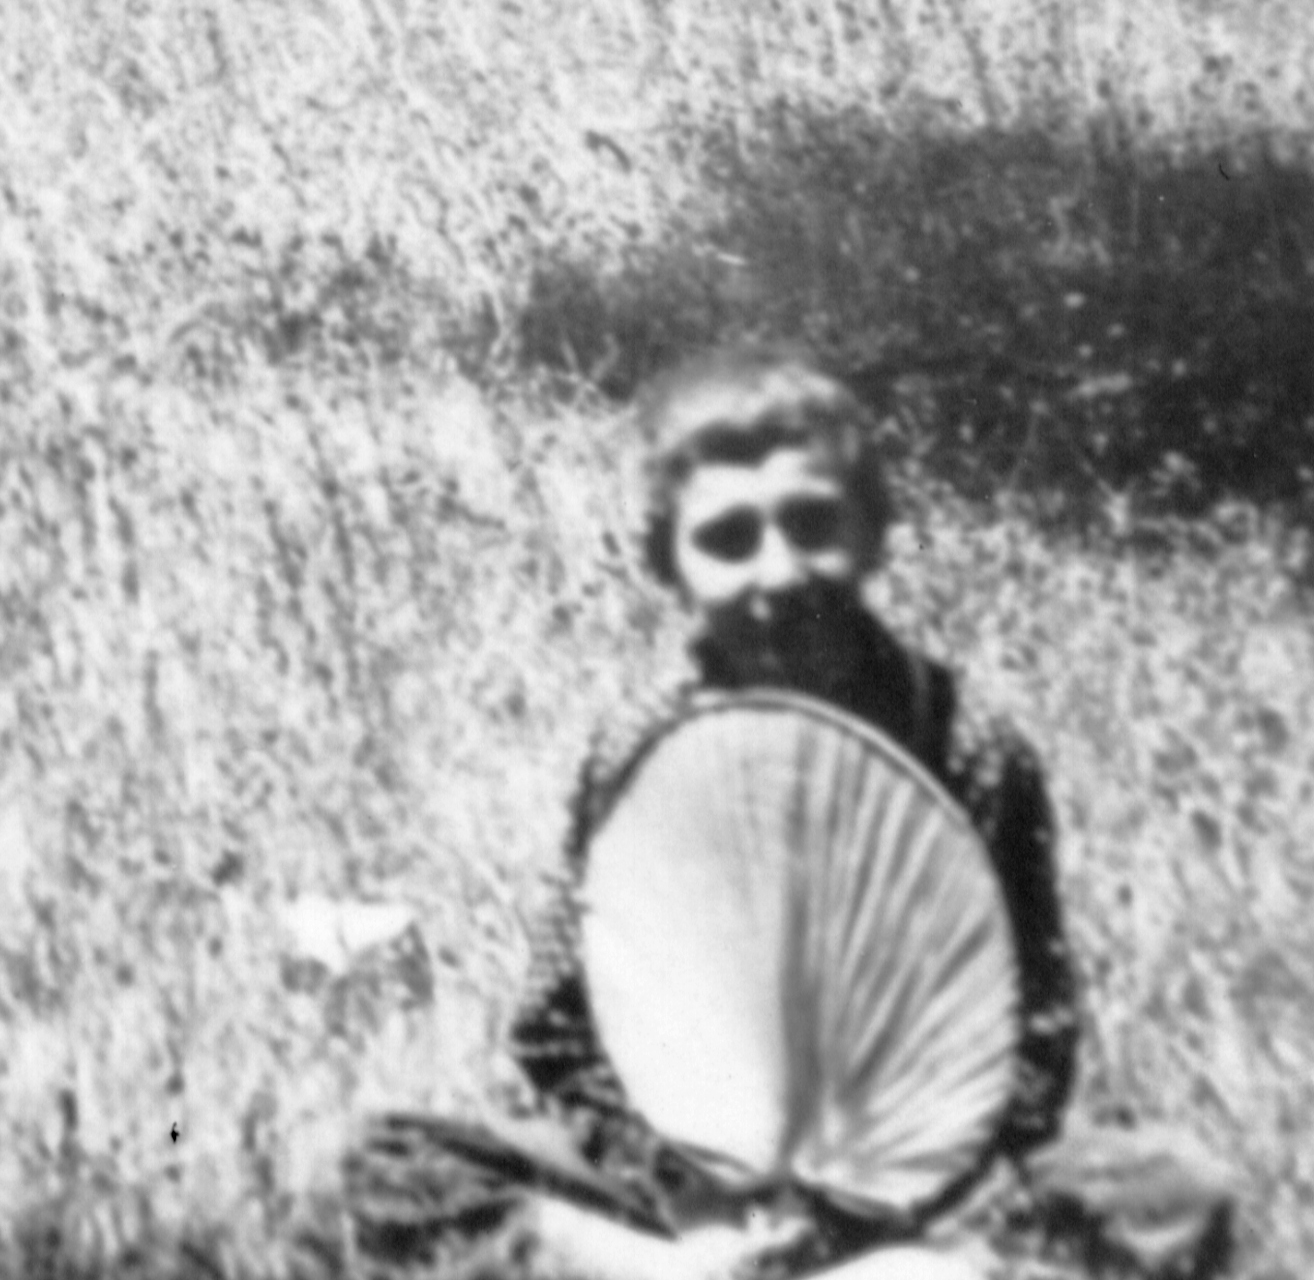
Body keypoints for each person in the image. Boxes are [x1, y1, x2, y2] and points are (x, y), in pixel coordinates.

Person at [344, 349, 1242, 1280]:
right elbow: (559, 1027)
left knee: (1172, 1191)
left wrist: (880, 1199)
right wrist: (694, 1197)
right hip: (688, 1169)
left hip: (916, 1171)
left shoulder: (967, 744)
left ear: (875, 531)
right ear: (668, 564)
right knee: (386, 1166)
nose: (779, 570)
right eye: (728, 539)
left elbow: (1034, 1039)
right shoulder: (641, 748)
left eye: (812, 523)